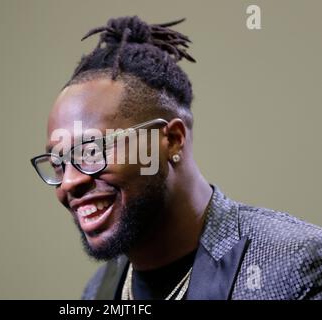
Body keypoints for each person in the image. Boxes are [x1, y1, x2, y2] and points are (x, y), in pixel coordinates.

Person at [31, 15, 322, 300]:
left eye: (92, 151)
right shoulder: (98, 292)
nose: (68, 182)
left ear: (172, 140)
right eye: (58, 163)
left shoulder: (294, 266)